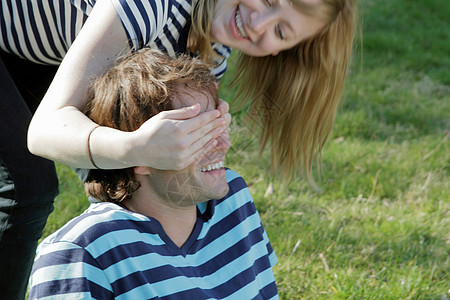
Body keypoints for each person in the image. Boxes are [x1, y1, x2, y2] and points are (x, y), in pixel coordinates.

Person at [1, 0, 356, 298]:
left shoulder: (211, 53)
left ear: (284, 50)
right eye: (269, 0)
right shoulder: (155, 4)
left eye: (280, 32)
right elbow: (45, 131)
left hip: (38, 55)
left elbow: (142, 187)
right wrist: (134, 147)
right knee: (26, 185)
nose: (259, 23)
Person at [29, 49, 278, 299]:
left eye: (218, 124)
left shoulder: (232, 201)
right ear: (140, 152)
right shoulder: (81, 254)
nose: (223, 144)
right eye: (197, 134)